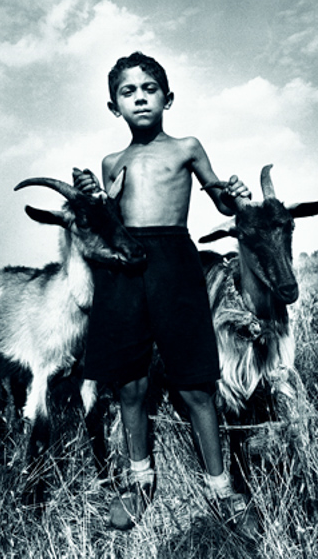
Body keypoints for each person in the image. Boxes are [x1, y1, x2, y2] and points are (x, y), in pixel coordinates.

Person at [74, 52, 252, 530]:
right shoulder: (112, 161)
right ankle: (140, 482)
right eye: (128, 92)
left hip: (175, 263)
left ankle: (222, 489)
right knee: (130, 383)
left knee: (195, 384)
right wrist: (95, 196)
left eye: (149, 89)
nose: (140, 98)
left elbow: (220, 198)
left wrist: (232, 192)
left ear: (168, 98)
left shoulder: (187, 148)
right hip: (124, 269)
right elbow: (111, 221)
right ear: (113, 107)